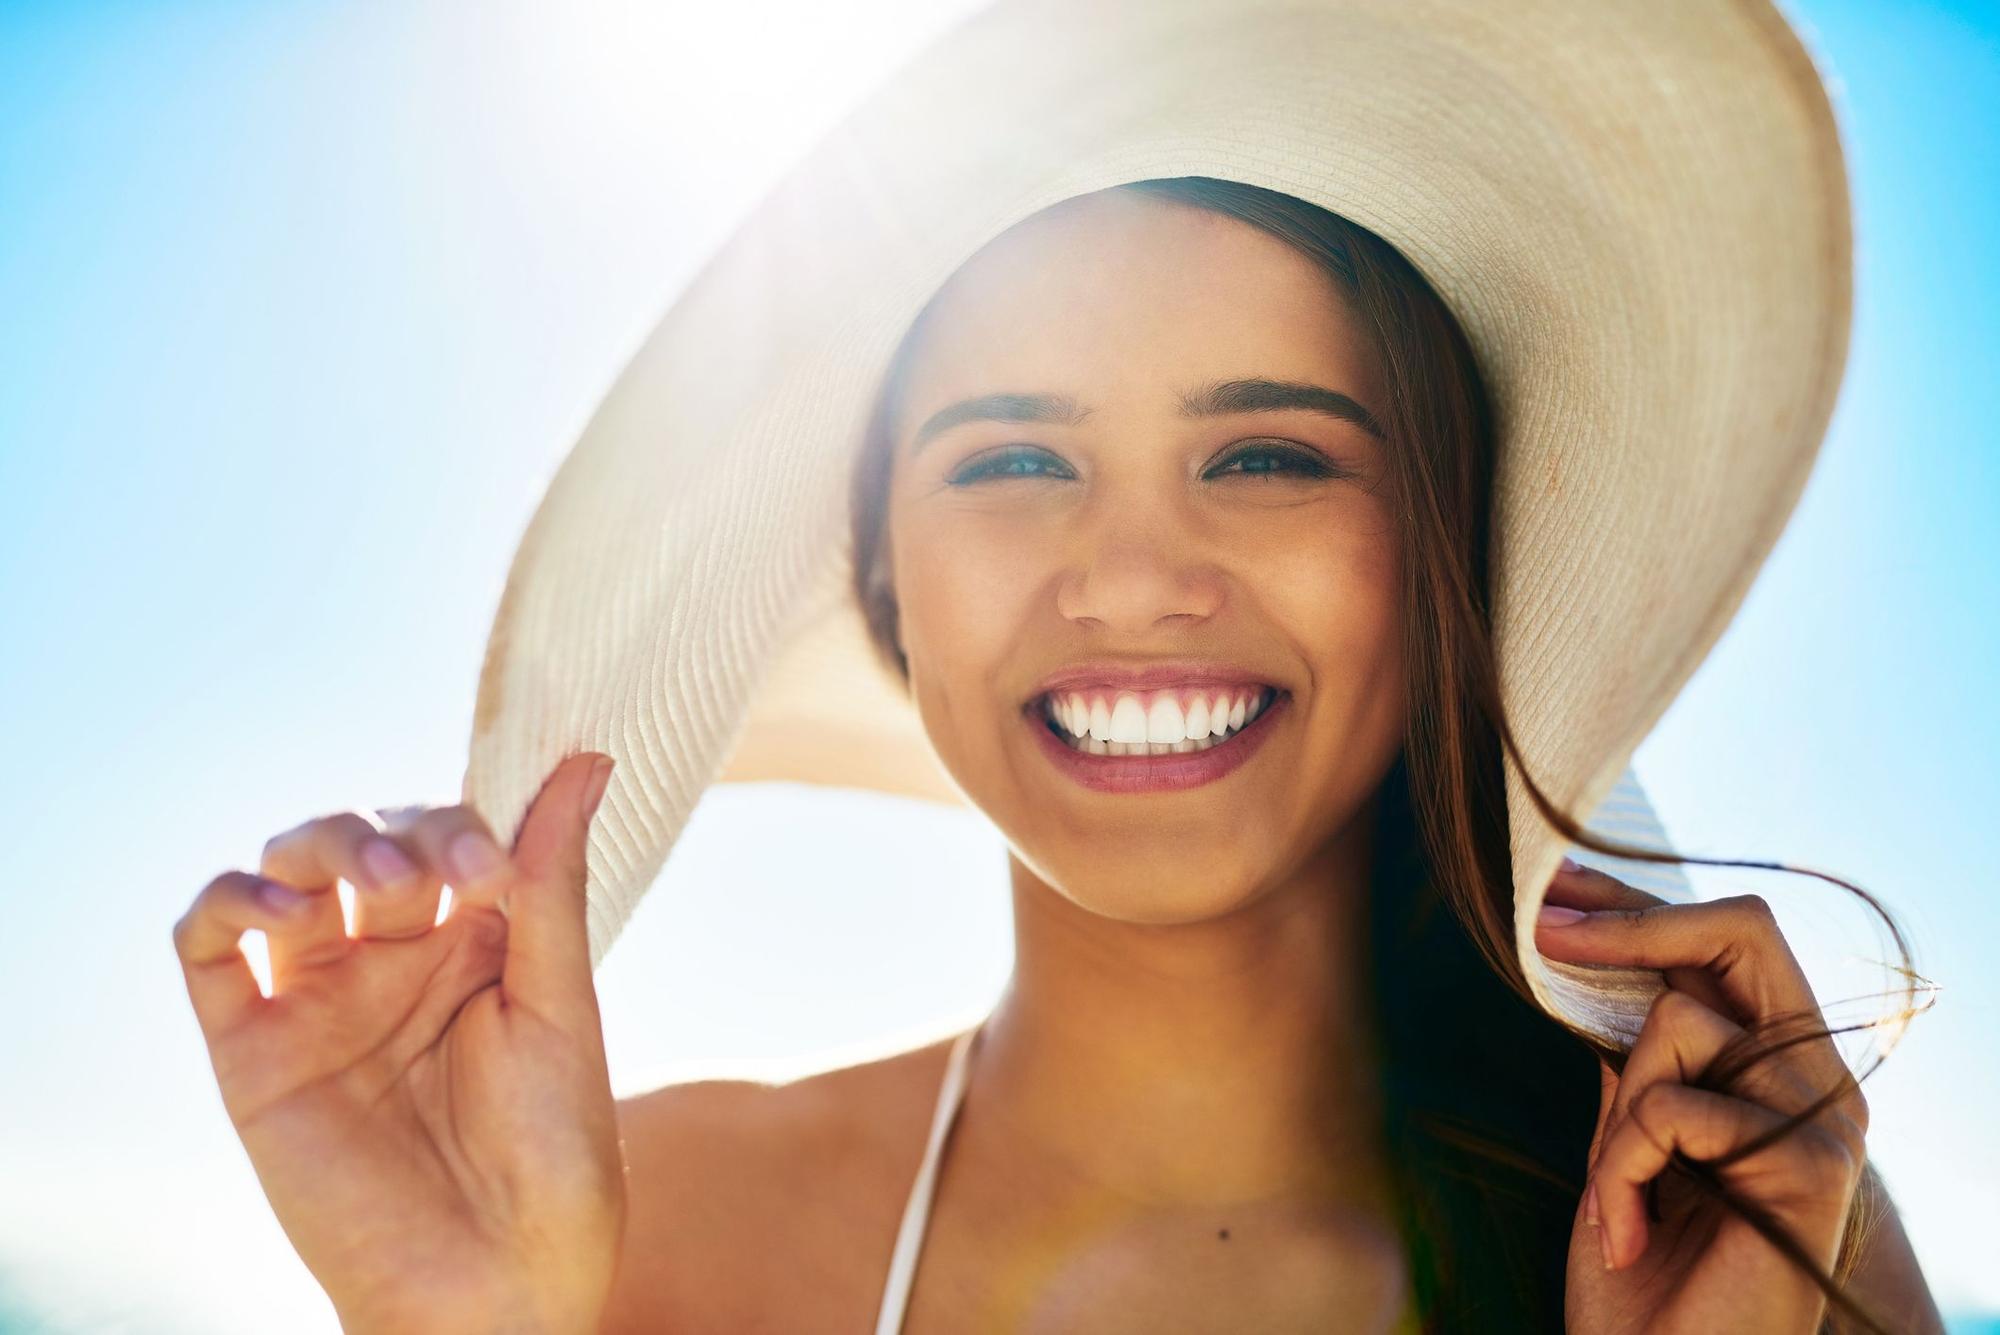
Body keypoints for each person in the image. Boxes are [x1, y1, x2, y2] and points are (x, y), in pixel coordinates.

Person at [173, 178, 1944, 1332]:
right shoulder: (643, 1238)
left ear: (1438, 558)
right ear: (886, 590)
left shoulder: (1760, 1256)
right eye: (1013, 464)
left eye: (1269, 456)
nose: (1133, 582)